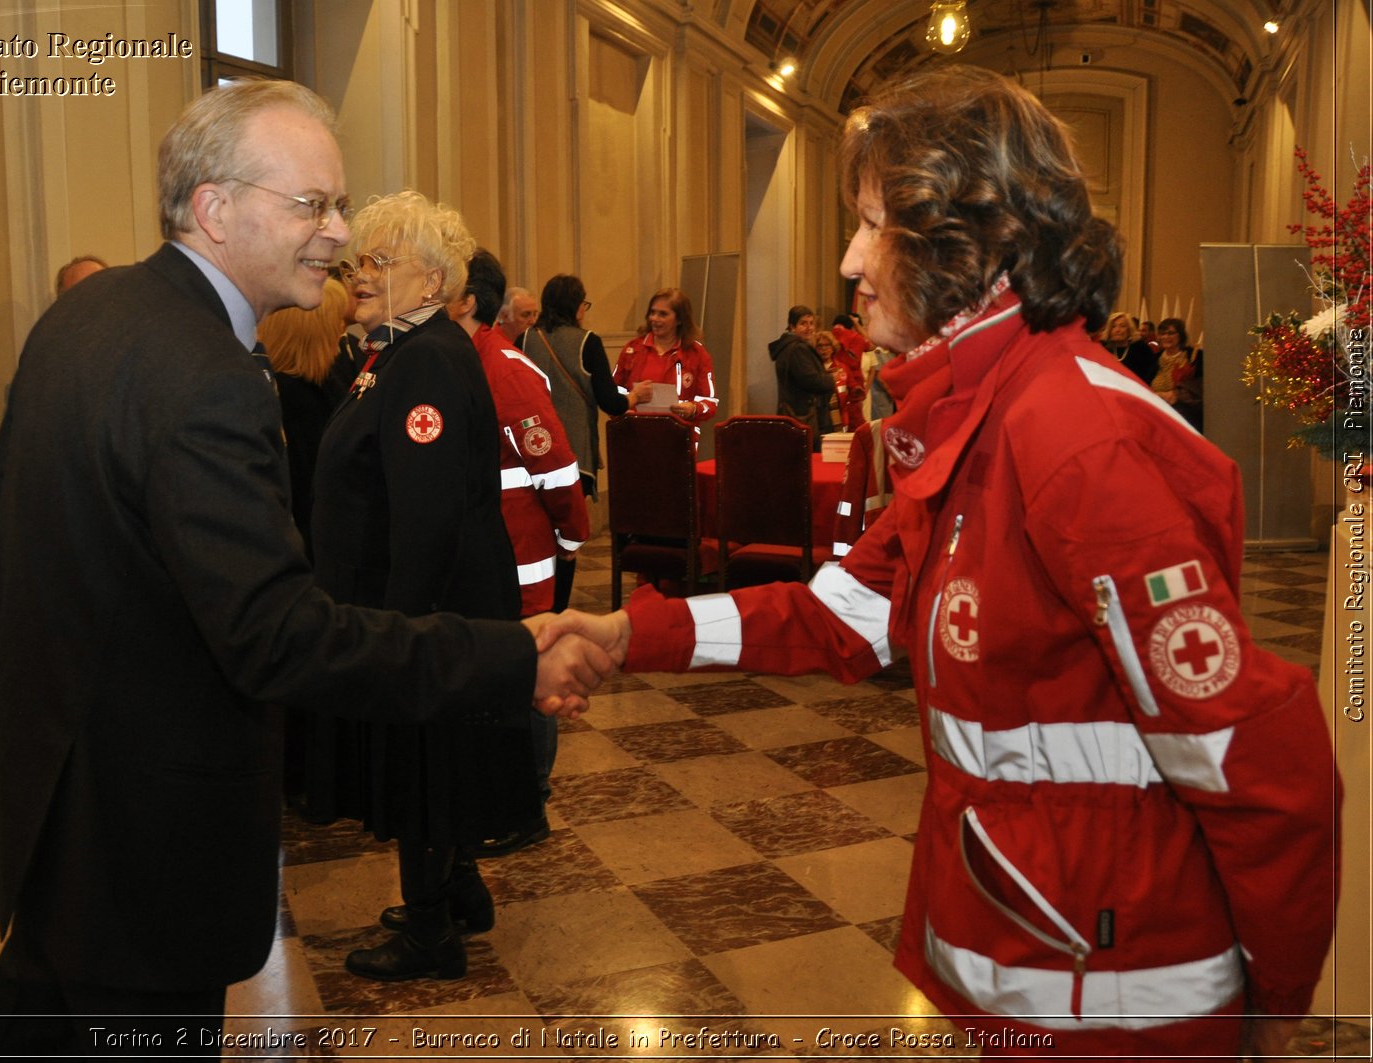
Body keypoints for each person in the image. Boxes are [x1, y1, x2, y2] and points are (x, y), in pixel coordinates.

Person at [544, 66, 1339, 1062]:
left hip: (1118, 1006)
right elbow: (844, 614)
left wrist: (1269, 1006)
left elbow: (1257, 762)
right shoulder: (980, 416)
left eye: (874, 225)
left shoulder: (1073, 440)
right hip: (1028, 957)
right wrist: (626, 632)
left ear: (977, 245)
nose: (847, 260)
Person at [0, 80, 612, 1059]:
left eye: (337, 205)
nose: (337, 233)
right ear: (214, 207)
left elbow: (27, 534)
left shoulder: (87, 318)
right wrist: (511, 656)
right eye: (312, 205)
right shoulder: (210, 375)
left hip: (53, 801)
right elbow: (274, 634)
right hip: (142, 834)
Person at [303, 193, 542, 981]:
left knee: (425, 764)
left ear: (433, 282)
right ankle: (459, 892)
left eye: (380, 261)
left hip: (426, 613)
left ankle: (431, 931)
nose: (360, 275)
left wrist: (398, 637)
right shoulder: (396, 351)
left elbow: (428, 515)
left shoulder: (428, 357)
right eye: (358, 260)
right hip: (417, 607)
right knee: (440, 761)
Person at [449, 249, 589, 856]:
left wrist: (571, 539)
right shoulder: (462, 360)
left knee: (530, 674)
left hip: (524, 558)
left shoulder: (505, 368)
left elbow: (556, 469)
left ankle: (529, 804)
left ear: (467, 300)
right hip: (491, 555)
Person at [520, 274, 628, 610]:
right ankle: (557, 608)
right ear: (577, 307)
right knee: (566, 538)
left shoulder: (525, 339)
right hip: (571, 455)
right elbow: (610, 401)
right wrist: (634, 396)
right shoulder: (588, 342)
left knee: (535, 534)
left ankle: (533, 605)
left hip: (528, 451)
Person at [255, 276, 357, 555]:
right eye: (334, 325)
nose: (341, 334)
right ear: (311, 334)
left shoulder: (319, 383)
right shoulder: (289, 397)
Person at [614, 287, 717, 424]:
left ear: (680, 320)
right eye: (652, 312)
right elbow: (612, 392)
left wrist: (693, 408)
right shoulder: (633, 349)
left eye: (663, 314)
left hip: (679, 436)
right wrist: (624, 406)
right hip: (635, 431)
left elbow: (710, 403)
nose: (654, 319)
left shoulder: (697, 354)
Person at [769, 304, 834, 446]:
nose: (809, 328)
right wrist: (830, 379)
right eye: (803, 324)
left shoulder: (787, 347)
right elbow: (811, 380)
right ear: (792, 327)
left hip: (795, 413)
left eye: (811, 323)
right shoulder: (798, 349)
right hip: (805, 415)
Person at [1153, 316, 1203, 431]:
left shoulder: (1194, 356)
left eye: (1170, 333)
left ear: (1180, 335)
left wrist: (1177, 394)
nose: (1166, 337)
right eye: (1162, 333)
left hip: (1185, 416)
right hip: (1157, 413)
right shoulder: (1153, 359)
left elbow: (1201, 385)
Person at [830, 312, 868, 429]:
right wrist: (857, 325)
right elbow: (871, 344)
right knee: (855, 425)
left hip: (834, 382)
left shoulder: (828, 336)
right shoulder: (856, 338)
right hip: (854, 387)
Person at [1099, 310, 1157, 386]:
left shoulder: (1141, 348)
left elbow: (1150, 373)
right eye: (1114, 326)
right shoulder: (1104, 349)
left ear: (1129, 329)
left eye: (1122, 326)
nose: (1118, 330)